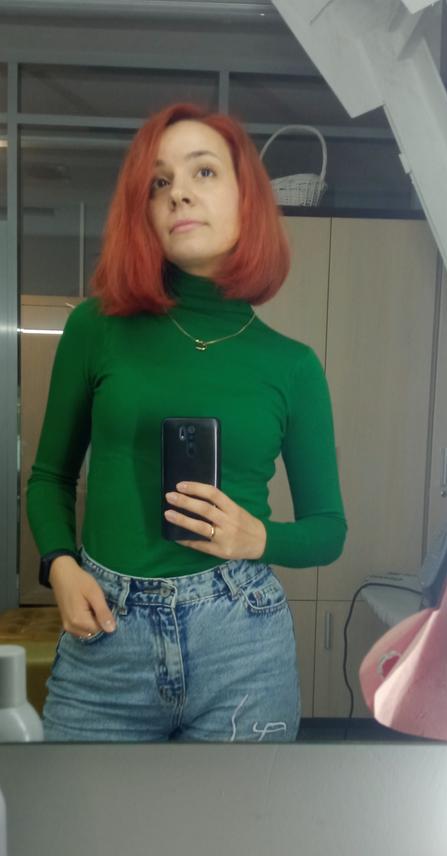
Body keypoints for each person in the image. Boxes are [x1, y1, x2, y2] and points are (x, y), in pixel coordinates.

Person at [27, 101, 347, 743]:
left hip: (241, 641)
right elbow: (49, 478)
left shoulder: (292, 367)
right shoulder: (96, 327)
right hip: (105, 635)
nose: (178, 193)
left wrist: (258, 538)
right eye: (159, 181)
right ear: (144, 210)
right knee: (79, 811)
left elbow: (328, 531)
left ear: (246, 199)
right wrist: (59, 565)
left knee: (237, 815)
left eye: (203, 172)